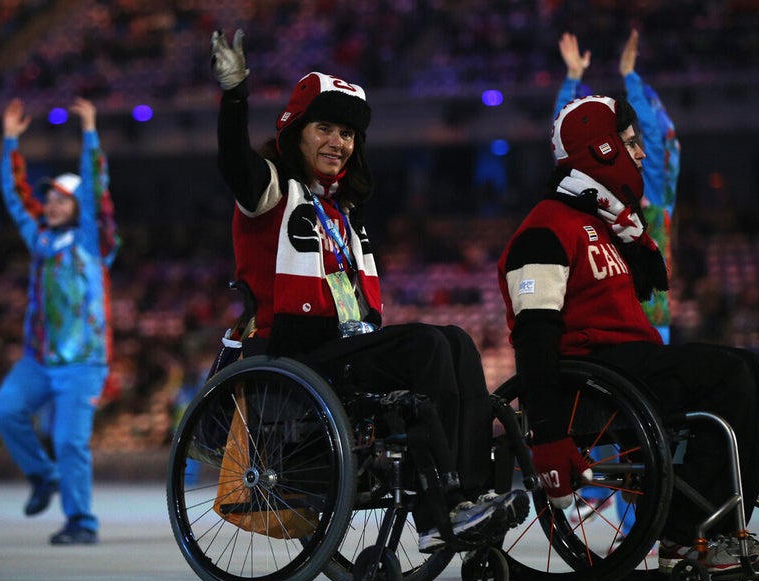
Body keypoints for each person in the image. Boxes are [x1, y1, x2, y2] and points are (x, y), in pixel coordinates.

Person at [210, 28, 526, 553]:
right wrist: (235, 93)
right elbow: (233, 164)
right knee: (426, 343)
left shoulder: (341, 211)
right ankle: (436, 512)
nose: (339, 142)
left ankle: (468, 494)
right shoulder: (271, 191)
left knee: (456, 340)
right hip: (292, 352)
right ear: (295, 131)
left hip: (341, 347)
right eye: (326, 128)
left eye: (349, 134)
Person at [497, 94, 759, 576]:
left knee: (753, 369)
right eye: (630, 143)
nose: (641, 154)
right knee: (733, 375)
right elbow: (533, 334)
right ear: (602, 149)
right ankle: (686, 531)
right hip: (590, 381)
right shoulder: (544, 230)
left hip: (626, 367)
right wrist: (547, 436)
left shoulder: (606, 226)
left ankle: (715, 525)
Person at [552, 28, 681, 533]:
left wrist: (631, 79)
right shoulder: (597, 202)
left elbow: (655, 137)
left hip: (650, 326)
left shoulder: (657, 200)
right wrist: (572, 83)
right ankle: (611, 501)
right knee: (609, 424)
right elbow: (568, 141)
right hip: (605, 328)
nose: (642, 152)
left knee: (641, 430)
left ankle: (640, 517)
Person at [0, 97, 118, 545]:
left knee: (68, 441)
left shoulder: (92, 242)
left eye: (60, 197)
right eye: (48, 197)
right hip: (40, 360)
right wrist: (9, 142)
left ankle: (81, 522)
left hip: (84, 363)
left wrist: (89, 132)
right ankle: (44, 477)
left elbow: (96, 189)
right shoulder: (40, 239)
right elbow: (13, 195)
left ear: (77, 205)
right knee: (3, 411)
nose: (50, 202)